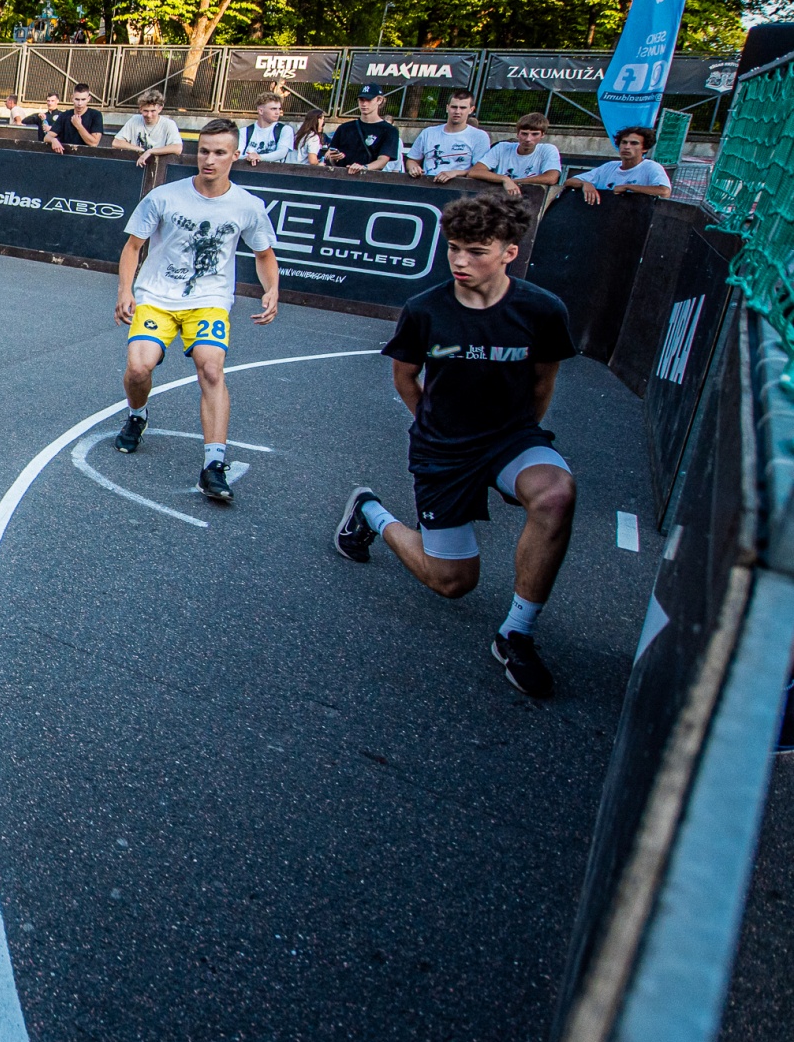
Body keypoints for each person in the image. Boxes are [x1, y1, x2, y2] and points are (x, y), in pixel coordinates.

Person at [333, 191, 579, 699]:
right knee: (452, 582)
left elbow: (542, 382)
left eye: (477, 251)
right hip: (442, 448)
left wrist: (516, 441)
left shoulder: (542, 309)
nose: (461, 261)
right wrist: (437, 428)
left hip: (511, 439)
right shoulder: (426, 310)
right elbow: (406, 378)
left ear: (509, 252)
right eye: (454, 249)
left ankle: (516, 633)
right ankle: (370, 512)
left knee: (555, 494)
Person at [112, 118, 280, 502]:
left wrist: (272, 289)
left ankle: (214, 465)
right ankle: (137, 415)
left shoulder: (248, 206)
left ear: (234, 156)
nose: (210, 159)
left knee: (211, 368)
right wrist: (125, 290)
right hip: (157, 296)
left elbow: (264, 254)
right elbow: (133, 247)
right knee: (138, 368)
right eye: (204, 151)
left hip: (209, 300)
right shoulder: (164, 196)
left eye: (219, 152)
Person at [562, 126, 673, 204]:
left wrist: (628, 187)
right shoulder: (609, 167)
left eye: (634, 143)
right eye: (624, 142)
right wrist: (585, 184)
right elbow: (569, 182)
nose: (627, 147)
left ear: (645, 148)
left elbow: (664, 191)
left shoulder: (651, 167)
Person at [466, 112, 563, 196]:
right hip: (499, 197)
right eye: (524, 134)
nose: (528, 139)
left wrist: (514, 182)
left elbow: (551, 178)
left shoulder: (548, 150)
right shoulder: (502, 147)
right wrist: (505, 179)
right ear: (517, 134)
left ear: (543, 135)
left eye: (535, 134)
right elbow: (474, 172)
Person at [404, 90, 491, 182]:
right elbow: (412, 160)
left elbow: (480, 171)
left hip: (461, 186)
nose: (457, 111)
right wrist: (414, 168)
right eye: (454, 107)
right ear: (447, 108)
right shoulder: (428, 132)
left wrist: (455, 173)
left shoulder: (479, 136)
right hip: (427, 183)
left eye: (462, 108)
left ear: (471, 110)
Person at [323, 85, 401, 173]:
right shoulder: (344, 128)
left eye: (369, 100)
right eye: (361, 100)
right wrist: (333, 158)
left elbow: (382, 161)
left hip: (369, 178)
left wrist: (363, 167)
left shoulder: (389, 130)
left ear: (379, 100)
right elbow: (331, 157)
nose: (364, 104)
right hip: (342, 176)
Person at [111, 92, 185, 169]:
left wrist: (150, 151)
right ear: (140, 109)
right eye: (146, 111)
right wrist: (140, 149)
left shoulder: (169, 124)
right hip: (135, 166)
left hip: (159, 168)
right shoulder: (134, 120)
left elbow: (177, 148)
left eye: (153, 111)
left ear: (160, 109)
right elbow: (116, 142)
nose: (149, 115)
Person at [237, 93, 301, 163]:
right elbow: (237, 154)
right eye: (273, 109)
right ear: (261, 111)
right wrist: (249, 157)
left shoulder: (285, 129)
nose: (277, 112)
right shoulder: (244, 131)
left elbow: (282, 153)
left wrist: (259, 157)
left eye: (279, 109)